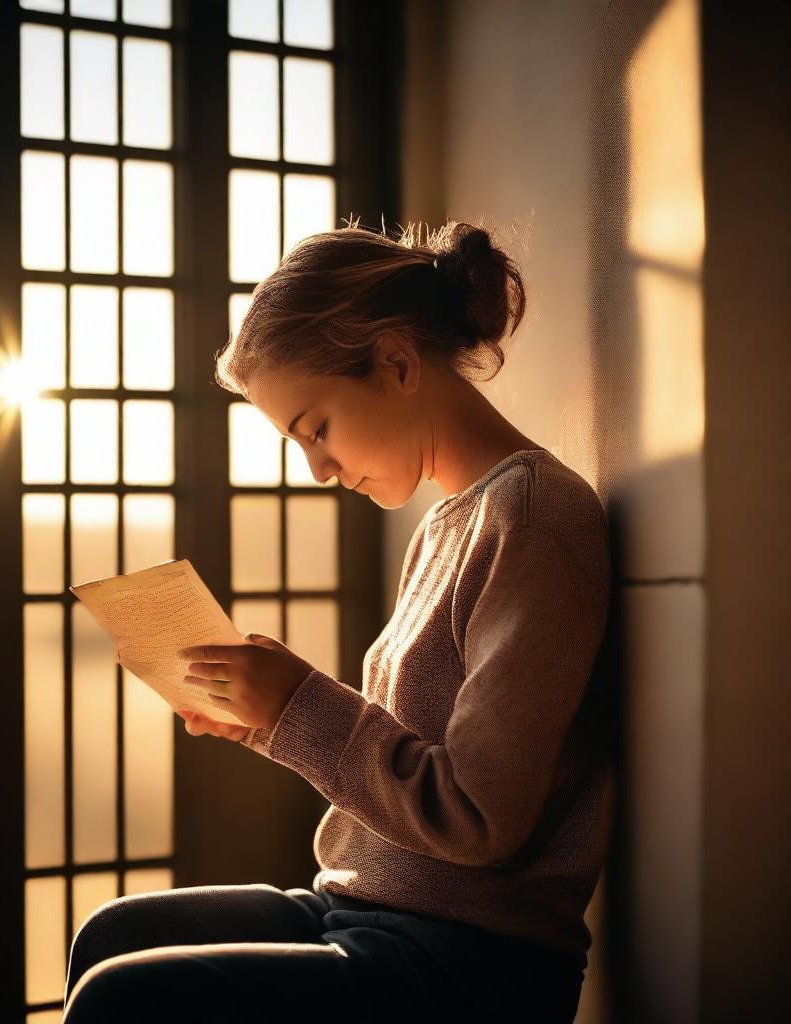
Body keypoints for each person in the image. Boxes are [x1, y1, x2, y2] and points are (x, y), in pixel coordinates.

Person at [62, 217, 613, 1023]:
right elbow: (397, 751)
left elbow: (479, 817)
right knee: (110, 935)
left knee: (125, 999)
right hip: (368, 911)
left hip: (466, 960)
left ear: (396, 362)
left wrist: (296, 705)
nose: (317, 469)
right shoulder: (446, 525)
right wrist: (261, 717)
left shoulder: (534, 520)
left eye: (315, 429)